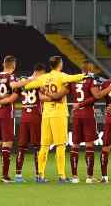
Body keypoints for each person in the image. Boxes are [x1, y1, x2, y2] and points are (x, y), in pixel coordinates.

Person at [22, 55, 88, 184]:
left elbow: (27, 87)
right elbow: (74, 77)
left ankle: (40, 175)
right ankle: (62, 176)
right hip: (58, 113)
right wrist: (85, 75)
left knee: (44, 146)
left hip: (46, 114)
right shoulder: (61, 76)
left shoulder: (44, 77)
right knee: (60, 145)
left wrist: (41, 88)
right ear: (60, 64)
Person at [0, 55, 24, 183]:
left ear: (3, 64)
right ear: (13, 66)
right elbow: (14, 88)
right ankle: (5, 176)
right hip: (7, 113)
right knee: (7, 143)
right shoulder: (11, 77)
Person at [69, 61, 102, 183]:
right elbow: (97, 95)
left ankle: (74, 177)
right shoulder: (91, 80)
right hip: (87, 114)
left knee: (75, 145)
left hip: (76, 115)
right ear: (90, 69)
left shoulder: (74, 80)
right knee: (89, 145)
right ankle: (89, 176)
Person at [14, 62, 46, 183]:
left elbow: (16, 88)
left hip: (24, 117)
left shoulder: (24, 80)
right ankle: (38, 175)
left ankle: (18, 175)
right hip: (35, 116)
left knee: (22, 147)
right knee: (37, 147)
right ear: (40, 72)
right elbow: (42, 97)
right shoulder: (39, 82)